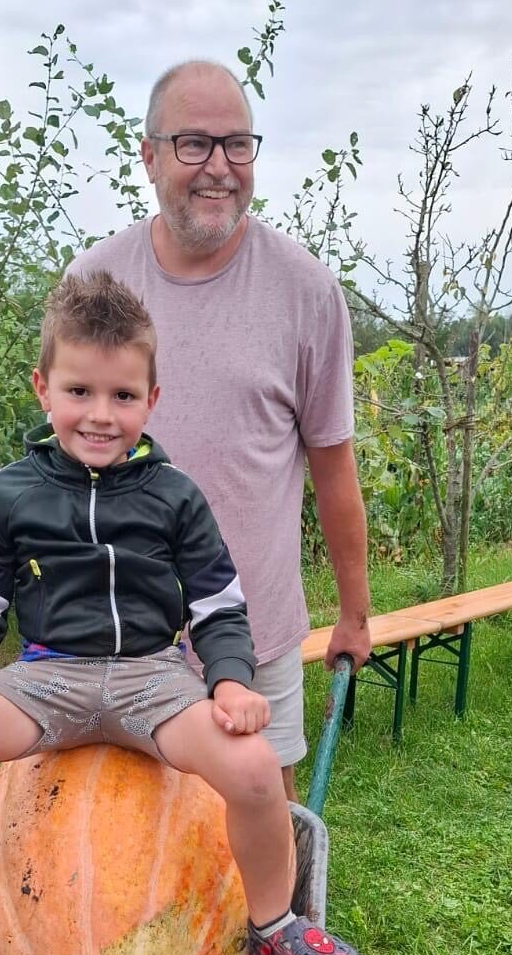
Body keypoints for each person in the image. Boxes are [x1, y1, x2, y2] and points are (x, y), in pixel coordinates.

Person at [0, 272, 362, 955]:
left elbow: (219, 604)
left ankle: (274, 924)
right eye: (79, 393)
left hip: (152, 678)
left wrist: (227, 680)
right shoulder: (8, 494)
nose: (100, 415)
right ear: (43, 389)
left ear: (151, 400)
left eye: (123, 397)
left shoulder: (175, 496)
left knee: (254, 771)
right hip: (46, 678)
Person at [67, 60, 374, 798]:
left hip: (257, 636)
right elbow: (65, 456)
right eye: (193, 144)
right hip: (117, 643)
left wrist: (355, 613)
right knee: (123, 858)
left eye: (237, 145)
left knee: (256, 857)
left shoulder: (305, 290)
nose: (219, 168)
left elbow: (333, 469)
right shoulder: (96, 280)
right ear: (148, 155)